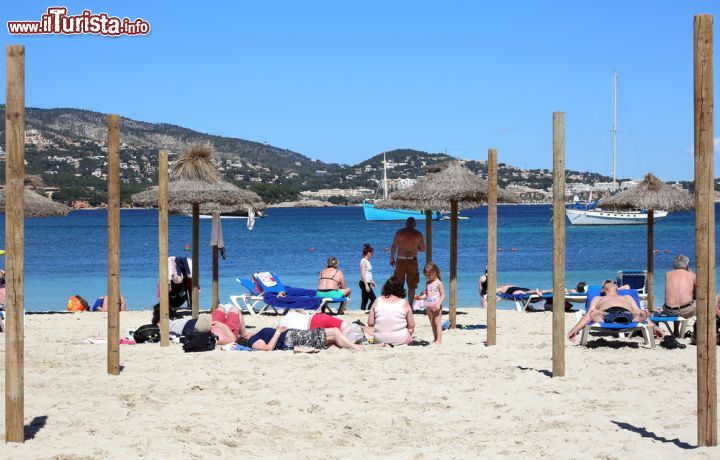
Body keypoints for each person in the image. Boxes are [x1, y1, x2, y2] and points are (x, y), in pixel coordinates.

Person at [567, 279, 660, 342]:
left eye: (613, 282)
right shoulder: (598, 298)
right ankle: (599, 316)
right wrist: (575, 330)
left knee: (640, 313)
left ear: (616, 287)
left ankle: (636, 318)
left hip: (627, 314)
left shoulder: (627, 297)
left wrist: (655, 327)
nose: (611, 281)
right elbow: (588, 315)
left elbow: (637, 311)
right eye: (608, 281)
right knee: (593, 313)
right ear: (603, 289)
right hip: (605, 315)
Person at [237, 325, 362, 351]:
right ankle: (356, 348)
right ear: (244, 336)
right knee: (334, 332)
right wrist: (278, 332)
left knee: (333, 339)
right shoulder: (252, 341)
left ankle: (354, 345)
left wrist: (279, 330)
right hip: (291, 339)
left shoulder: (256, 336)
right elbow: (268, 348)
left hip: (292, 335)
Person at [368, 276, 415, 346]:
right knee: (410, 330)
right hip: (400, 339)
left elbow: (370, 323)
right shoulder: (404, 303)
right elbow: (411, 325)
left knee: (369, 330)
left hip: (379, 340)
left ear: (385, 287)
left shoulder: (377, 300)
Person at [390, 217, 426, 303]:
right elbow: (423, 249)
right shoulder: (418, 234)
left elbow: (394, 246)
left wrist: (392, 258)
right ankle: (410, 306)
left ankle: (399, 304)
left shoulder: (399, 233)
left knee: (399, 285)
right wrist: (415, 247)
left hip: (400, 260)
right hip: (412, 260)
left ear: (406, 224)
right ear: (415, 224)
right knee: (412, 286)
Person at [414, 263, 445, 345]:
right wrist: (420, 298)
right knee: (432, 323)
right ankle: (435, 339)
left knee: (437, 323)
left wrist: (439, 304)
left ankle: (439, 340)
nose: (428, 277)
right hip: (429, 305)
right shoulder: (427, 283)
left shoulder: (438, 283)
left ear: (435, 272)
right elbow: (427, 294)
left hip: (436, 305)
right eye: (426, 275)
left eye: (429, 275)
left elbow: (443, 295)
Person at [662, 254, 697, 319]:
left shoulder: (667, 274)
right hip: (685, 310)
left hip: (668, 310)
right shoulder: (692, 275)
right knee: (710, 299)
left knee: (677, 299)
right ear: (687, 265)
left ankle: (676, 329)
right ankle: (698, 326)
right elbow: (697, 293)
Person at [359, 244, 377, 311]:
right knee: (374, 299)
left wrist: (372, 281)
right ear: (368, 253)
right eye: (371, 253)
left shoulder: (367, 261)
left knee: (365, 299)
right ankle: (369, 311)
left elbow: (368, 273)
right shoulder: (363, 261)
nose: (372, 255)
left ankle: (362, 310)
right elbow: (363, 274)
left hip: (366, 282)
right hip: (364, 283)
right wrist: (366, 285)